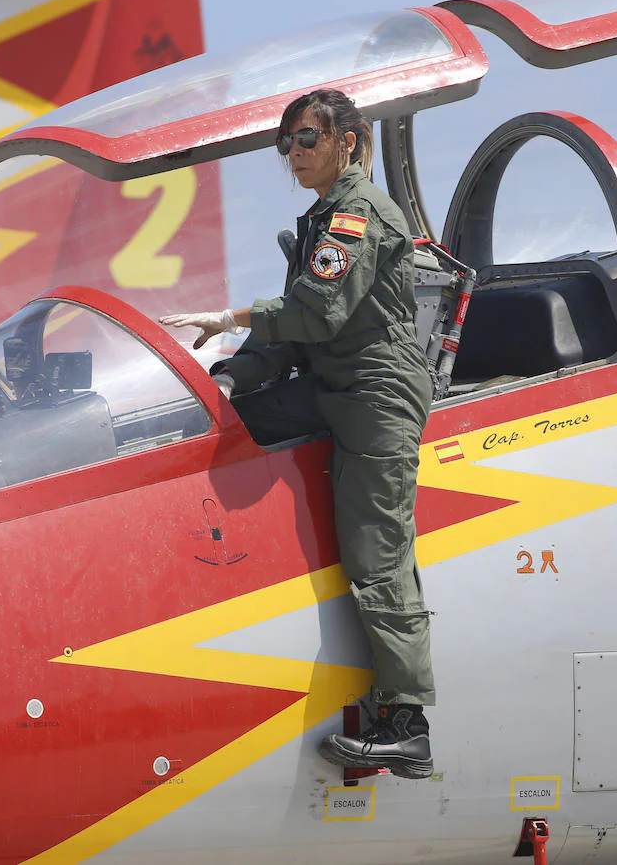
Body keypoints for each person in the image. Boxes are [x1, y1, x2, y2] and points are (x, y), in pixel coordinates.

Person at [159, 89, 435, 779]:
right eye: (285, 143)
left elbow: (315, 314)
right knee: (230, 426)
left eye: (307, 138)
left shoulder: (357, 214)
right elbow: (289, 339)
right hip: (330, 386)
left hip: (377, 393)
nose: (295, 154)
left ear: (347, 141)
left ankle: (406, 719)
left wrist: (231, 315)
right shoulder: (320, 221)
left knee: (376, 552)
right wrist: (225, 381)